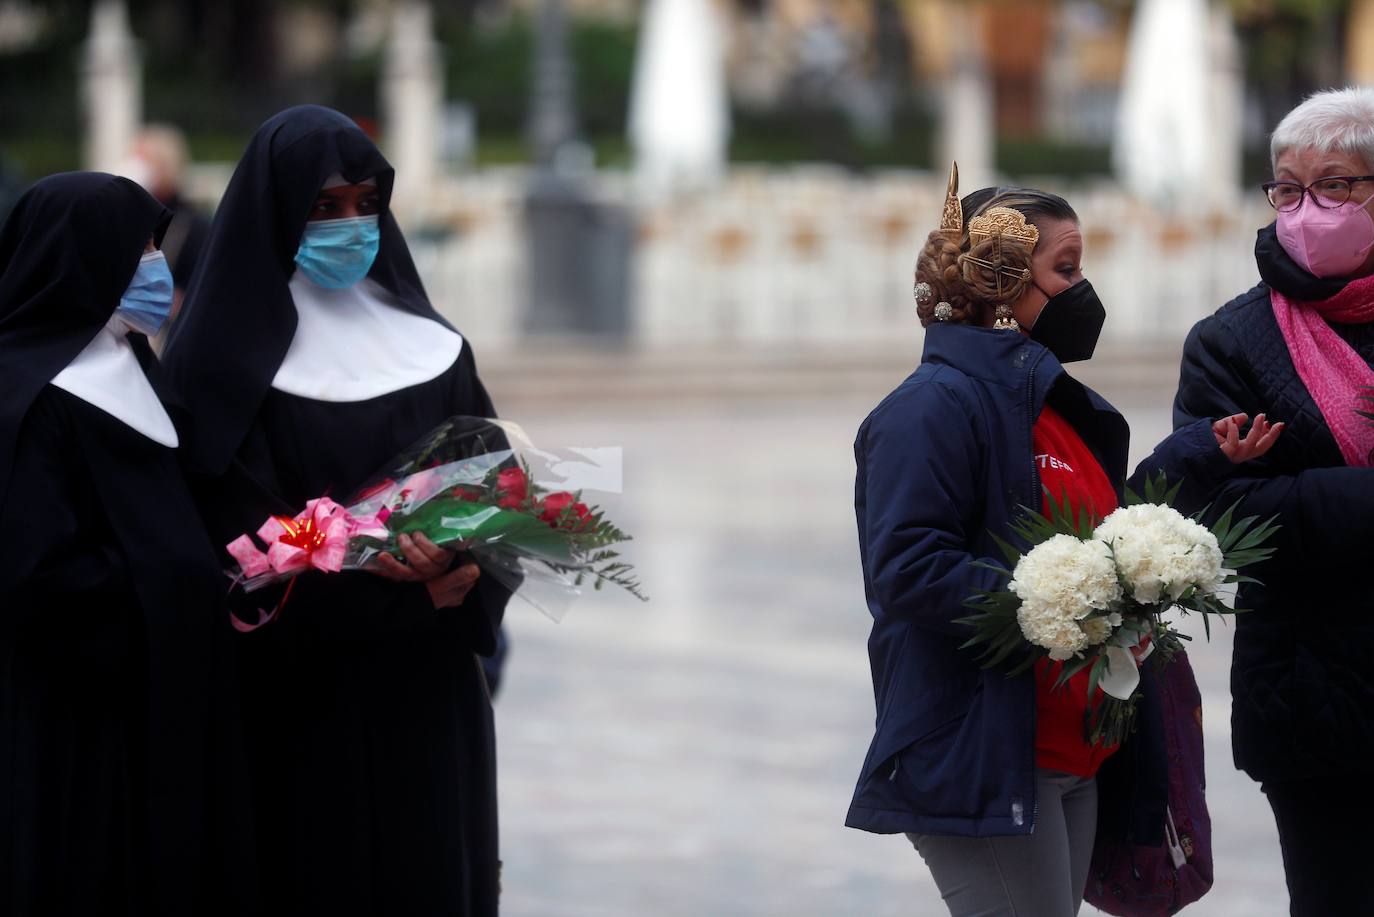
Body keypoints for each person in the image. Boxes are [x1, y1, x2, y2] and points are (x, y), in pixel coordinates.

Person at [845, 165, 1280, 916]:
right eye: (1066, 269)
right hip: (989, 749)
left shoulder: (1051, 402)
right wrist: (1062, 603)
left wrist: (1196, 458)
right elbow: (908, 569)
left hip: (1073, 745)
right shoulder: (931, 409)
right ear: (1000, 282)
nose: (1083, 290)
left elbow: (1102, 537)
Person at [161, 105, 508, 916]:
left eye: (363, 203)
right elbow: (229, 535)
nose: (350, 224)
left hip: (429, 702)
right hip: (299, 706)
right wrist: (385, 588)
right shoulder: (219, 368)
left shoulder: (434, 347)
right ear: (278, 211)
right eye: (324, 207)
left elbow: (495, 488)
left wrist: (463, 562)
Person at [0, 173, 252, 916]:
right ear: (78, 257)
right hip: (76, 713)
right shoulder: (25, 396)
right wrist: (171, 583)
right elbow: (35, 573)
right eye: (139, 246)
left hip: (160, 688)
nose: (155, 263)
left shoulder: (132, 363)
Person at [1172, 86, 1374, 916]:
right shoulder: (1231, 342)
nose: (1305, 209)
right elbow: (1228, 516)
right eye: (1288, 189)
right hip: (1312, 695)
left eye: (1335, 186)